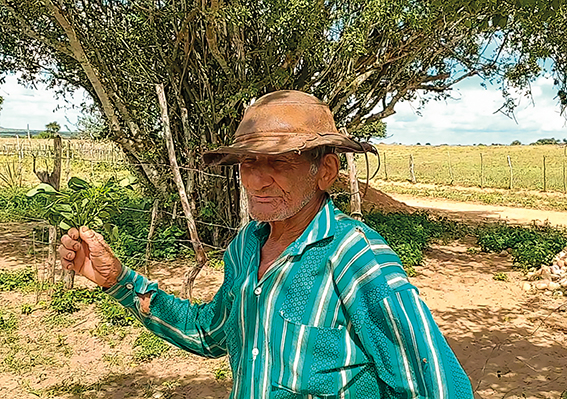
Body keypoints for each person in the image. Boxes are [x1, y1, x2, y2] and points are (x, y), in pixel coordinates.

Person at [59, 90, 474, 398]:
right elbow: (211, 332)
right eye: (249, 162)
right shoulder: (245, 248)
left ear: (325, 171)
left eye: (279, 162)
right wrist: (119, 281)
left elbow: (439, 385)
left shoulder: (357, 259)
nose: (256, 180)